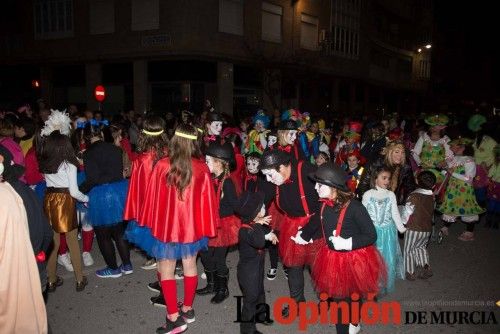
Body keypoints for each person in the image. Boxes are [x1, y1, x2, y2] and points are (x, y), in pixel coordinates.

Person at [138, 124, 218, 334]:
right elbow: (208, 203)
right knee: (190, 265)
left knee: (167, 269)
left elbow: (152, 199)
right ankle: (188, 309)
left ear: (175, 140)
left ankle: (174, 318)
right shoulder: (202, 167)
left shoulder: (163, 165)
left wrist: (149, 221)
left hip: (168, 228)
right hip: (192, 228)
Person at [305, 163, 385, 334]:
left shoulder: (355, 207)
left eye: (320, 185)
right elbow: (318, 223)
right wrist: (305, 235)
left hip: (354, 259)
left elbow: (371, 235)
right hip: (331, 258)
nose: (315, 188)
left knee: (352, 296)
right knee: (341, 301)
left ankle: (354, 322)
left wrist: (347, 243)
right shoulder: (324, 204)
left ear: (334, 187)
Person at [259, 149, 322, 316]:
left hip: (316, 224)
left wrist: (308, 232)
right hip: (292, 225)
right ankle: (297, 303)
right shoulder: (274, 178)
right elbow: (263, 197)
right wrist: (255, 212)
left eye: (270, 175)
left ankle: (327, 299)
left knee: (319, 268)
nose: (268, 179)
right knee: (293, 266)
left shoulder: (307, 171)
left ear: (282, 167)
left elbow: (326, 203)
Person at [123, 116, 169, 305]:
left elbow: (137, 190)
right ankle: (162, 284)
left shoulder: (142, 160)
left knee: (160, 253)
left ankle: (166, 295)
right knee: (162, 252)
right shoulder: (169, 154)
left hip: (151, 212)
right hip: (167, 210)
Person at [0, 146, 53, 299]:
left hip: (12, 278)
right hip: (35, 266)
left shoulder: (8, 196)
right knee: (37, 317)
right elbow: (46, 233)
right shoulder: (25, 190)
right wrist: (37, 253)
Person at [39, 130, 89, 292]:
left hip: (49, 200)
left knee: (53, 242)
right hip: (65, 201)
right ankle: (80, 279)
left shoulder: (45, 162)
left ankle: (51, 280)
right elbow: (74, 192)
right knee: (72, 241)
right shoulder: (69, 165)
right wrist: (86, 199)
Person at [81, 121, 131, 278]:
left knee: (103, 236)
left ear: (86, 138)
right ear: (101, 134)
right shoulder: (115, 149)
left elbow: (93, 179)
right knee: (119, 232)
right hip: (118, 191)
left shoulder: (88, 153)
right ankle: (127, 265)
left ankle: (113, 268)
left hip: (100, 195)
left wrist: (80, 190)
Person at [0, 180, 48, 334]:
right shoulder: (15, 192)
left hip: (15, 276)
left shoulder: (9, 194)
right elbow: (45, 233)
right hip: (26, 269)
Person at [197, 142, 239, 304]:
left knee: (219, 259)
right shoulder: (209, 178)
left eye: (208, 161)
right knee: (206, 255)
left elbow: (235, 204)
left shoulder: (227, 182)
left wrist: (252, 215)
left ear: (219, 163)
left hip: (224, 225)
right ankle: (211, 284)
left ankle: (223, 289)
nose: (205, 163)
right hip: (208, 222)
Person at [235, 191, 278, 334]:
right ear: (255, 213)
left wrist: (268, 234)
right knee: (251, 298)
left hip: (256, 266)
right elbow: (259, 241)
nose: (265, 208)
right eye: (262, 207)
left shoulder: (252, 224)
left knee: (260, 291)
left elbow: (262, 236)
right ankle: (247, 330)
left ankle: (261, 315)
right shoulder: (245, 230)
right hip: (248, 271)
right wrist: (259, 226)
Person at [362, 165, 406, 294]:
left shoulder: (391, 194)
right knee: (372, 258)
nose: (387, 181)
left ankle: (383, 281)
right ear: (375, 179)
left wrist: (401, 227)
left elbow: (394, 213)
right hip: (372, 232)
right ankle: (371, 281)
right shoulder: (368, 194)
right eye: (384, 178)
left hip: (387, 232)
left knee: (386, 258)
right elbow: (362, 214)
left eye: (389, 178)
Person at [438, 137, 485, 241]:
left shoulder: (469, 160)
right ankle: (446, 226)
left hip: (464, 190)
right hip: (453, 188)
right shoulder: (454, 158)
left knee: (467, 208)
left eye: (453, 145)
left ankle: (469, 232)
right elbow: (448, 171)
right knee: (450, 206)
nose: (450, 147)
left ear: (462, 147)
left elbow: (469, 178)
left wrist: (452, 172)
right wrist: (442, 169)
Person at [357, 139, 416, 205]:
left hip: (391, 200)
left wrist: (405, 205)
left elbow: (410, 187)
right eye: (396, 152)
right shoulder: (376, 161)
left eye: (402, 152)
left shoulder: (405, 164)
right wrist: (369, 204)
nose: (400, 156)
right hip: (373, 199)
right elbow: (363, 185)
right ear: (390, 152)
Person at [402, 171, 436, 280]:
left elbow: (407, 211)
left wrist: (403, 223)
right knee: (421, 248)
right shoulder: (432, 197)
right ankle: (425, 267)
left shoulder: (414, 195)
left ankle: (410, 272)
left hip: (414, 228)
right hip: (427, 229)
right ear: (434, 185)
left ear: (416, 181)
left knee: (409, 250)